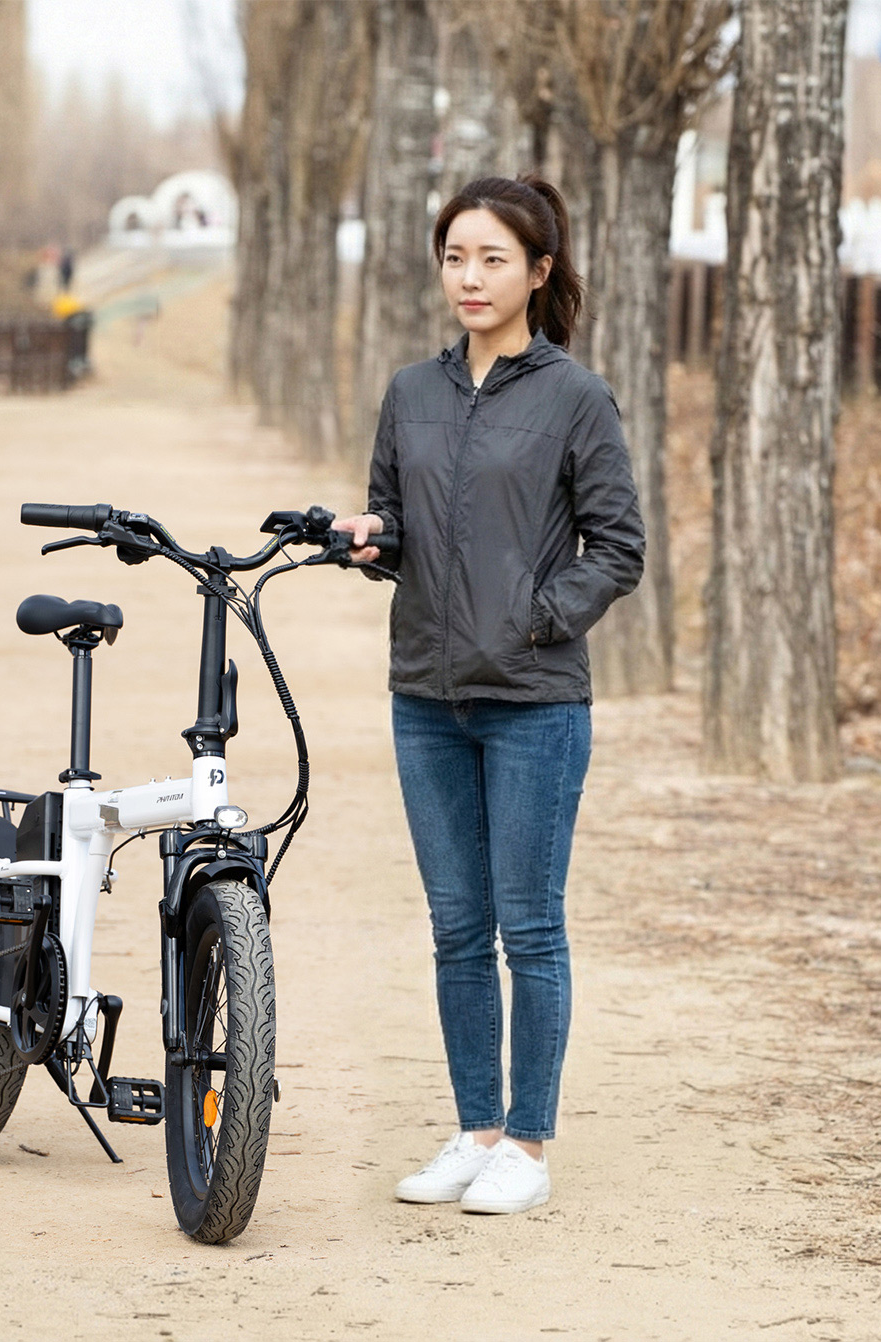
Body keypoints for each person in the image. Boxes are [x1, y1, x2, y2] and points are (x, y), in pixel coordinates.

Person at [334, 175, 644, 1215]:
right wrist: (371, 542)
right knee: (456, 927)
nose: (469, 277)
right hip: (424, 697)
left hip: (533, 703)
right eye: (455, 257)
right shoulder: (410, 393)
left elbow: (618, 547)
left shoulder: (574, 398)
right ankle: (474, 1132)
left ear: (538, 271)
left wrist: (535, 621)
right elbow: (397, 522)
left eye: (493, 259)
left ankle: (528, 1144)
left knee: (529, 928)